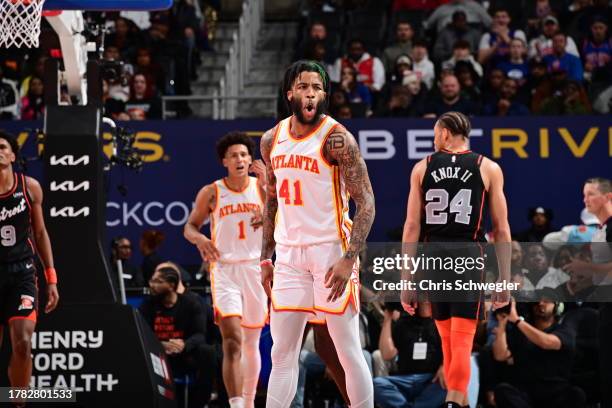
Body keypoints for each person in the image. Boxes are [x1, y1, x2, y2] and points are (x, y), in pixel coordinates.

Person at [260, 60, 375, 408]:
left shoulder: (338, 139)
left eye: (318, 88)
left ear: (324, 95)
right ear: (290, 93)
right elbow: (271, 201)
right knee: (282, 353)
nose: (311, 94)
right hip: (289, 255)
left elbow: (366, 203)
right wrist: (266, 257)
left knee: (346, 349)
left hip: (331, 252)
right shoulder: (271, 140)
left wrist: (348, 258)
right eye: (304, 86)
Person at [401, 111, 511, 408]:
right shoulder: (487, 167)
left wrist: (405, 279)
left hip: (433, 254)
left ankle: (456, 401)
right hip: (467, 254)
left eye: (435, 134)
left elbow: (412, 226)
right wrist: (504, 277)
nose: (434, 140)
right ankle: (453, 401)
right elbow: (501, 229)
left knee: (448, 339)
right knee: (461, 339)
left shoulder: (422, 167)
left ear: (446, 133)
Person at [183, 131, 267, 408]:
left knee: (251, 343)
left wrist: (269, 214)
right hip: (225, 270)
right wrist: (201, 239)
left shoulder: (263, 188)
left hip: (255, 269)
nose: (240, 159)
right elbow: (190, 227)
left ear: (250, 159)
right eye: (234, 155)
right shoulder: (212, 191)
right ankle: (235, 404)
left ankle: (250, 402)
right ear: (225, 161)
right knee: (232, 340)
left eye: (244, 154)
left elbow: (289, 219)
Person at [0, 131, 60, 396]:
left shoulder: (30, 187)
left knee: (23, 343)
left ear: (12, 155)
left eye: (2, 147)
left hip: (21, 272)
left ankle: (18, 402)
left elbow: (41, 233)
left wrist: (52, 278)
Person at [562, 177, 612, 408]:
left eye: (591, 194)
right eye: (584, 194)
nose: (585, 199)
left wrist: (586, 268)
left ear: (608, 197)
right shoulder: (601, 232)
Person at [492, 293, 586, 408]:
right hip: (527, 393)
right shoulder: (520, 330)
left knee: (576, 394)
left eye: (546, 301)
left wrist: (517, 320)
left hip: (556, 392)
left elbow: (547, 342)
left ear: (557, 306)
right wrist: (502, 323)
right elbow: (500, 356)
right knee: (503, 390)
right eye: (536, 302)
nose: (540, 304)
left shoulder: (564, 329)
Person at [138, 264, 209, 408]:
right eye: (152, 281)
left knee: (208, 352)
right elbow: (141, 333)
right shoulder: (147, 306)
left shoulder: (191, 304)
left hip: (184, 354)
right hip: (158, 355)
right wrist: (161, 345)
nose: (152, 285)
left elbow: (200, 334)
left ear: (171, 285)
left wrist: (184, 344)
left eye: (158, 282)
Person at [374, 303, 446, 408]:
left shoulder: (442, 322)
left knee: (450, 384)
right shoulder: (404, 322)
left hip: (431, 380)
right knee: (377, 384)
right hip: (404, 380)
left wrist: (444, 365)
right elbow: (386, 354)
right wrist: (388, 316)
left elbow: (454, 349)